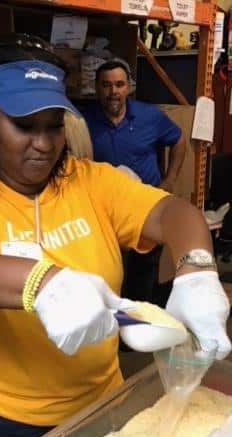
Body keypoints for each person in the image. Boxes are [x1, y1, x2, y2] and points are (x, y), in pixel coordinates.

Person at [0, 37, 232, 437]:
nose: (43, 143)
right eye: (24, 126)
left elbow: (174, 213)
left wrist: (197, 271)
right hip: (11, 416)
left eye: (53, 125)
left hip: (101, 402)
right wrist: (43, 282)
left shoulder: (90, 183)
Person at [82, 59, 188, 306]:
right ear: (97, 88)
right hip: (103, 214)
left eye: (119, 85)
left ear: (128, 87)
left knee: (143, 275)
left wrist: (170, 179)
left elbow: (179, 140)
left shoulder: (149, 116)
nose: (113, 92)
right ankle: (112, 329)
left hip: (144, 211)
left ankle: (138, 331)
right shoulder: (84, 121)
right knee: (107, 272)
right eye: (106, 85)